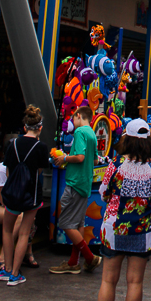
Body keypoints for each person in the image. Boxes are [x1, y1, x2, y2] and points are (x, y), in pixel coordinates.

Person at [84, 118, 151, 301]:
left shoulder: (116, 165)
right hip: (143, 229)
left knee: (108, 280)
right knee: (135, 281)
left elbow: (104, 192)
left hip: (114, 228)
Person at [0, 105, 49, 285]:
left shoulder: (12, 144)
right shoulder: (41, 147)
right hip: (32, 195)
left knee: (7, 230)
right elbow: (38, 171)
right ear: (40, 128)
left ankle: (5, 269)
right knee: (24, 233)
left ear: (24, 127)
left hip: (13, 194)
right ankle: (15, 273)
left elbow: (8, 170)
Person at [50, 105, 102, 275]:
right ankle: (74, 262)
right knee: (78, 223)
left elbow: (80, 157)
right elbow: (94, 161)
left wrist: (64, 157)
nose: (73, 121)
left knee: (65, 222)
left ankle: (89, 257)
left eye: (73, 118)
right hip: (85, 183)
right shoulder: (92, 134)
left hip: (75, 182)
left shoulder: (80, 133)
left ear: (79, 116)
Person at [0, 153, 38, 272]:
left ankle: (27, 253)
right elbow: (4, 200)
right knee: (19, 217)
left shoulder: (16, 169)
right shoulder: (1, 169)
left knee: (30, 216)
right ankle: (1, 260)